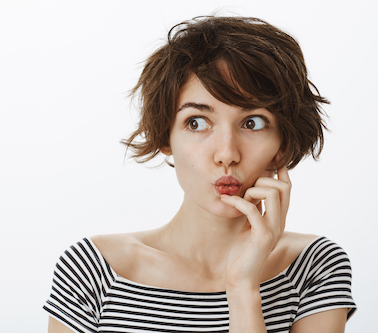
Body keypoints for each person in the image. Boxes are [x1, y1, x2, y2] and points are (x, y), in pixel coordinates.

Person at [44, 15, 357, 332]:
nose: (226, 154)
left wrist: (242, 289)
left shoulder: (314, 266)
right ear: (166, 136)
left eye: (253, 123)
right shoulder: (95, 268)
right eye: (196, 122)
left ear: (282, 142)